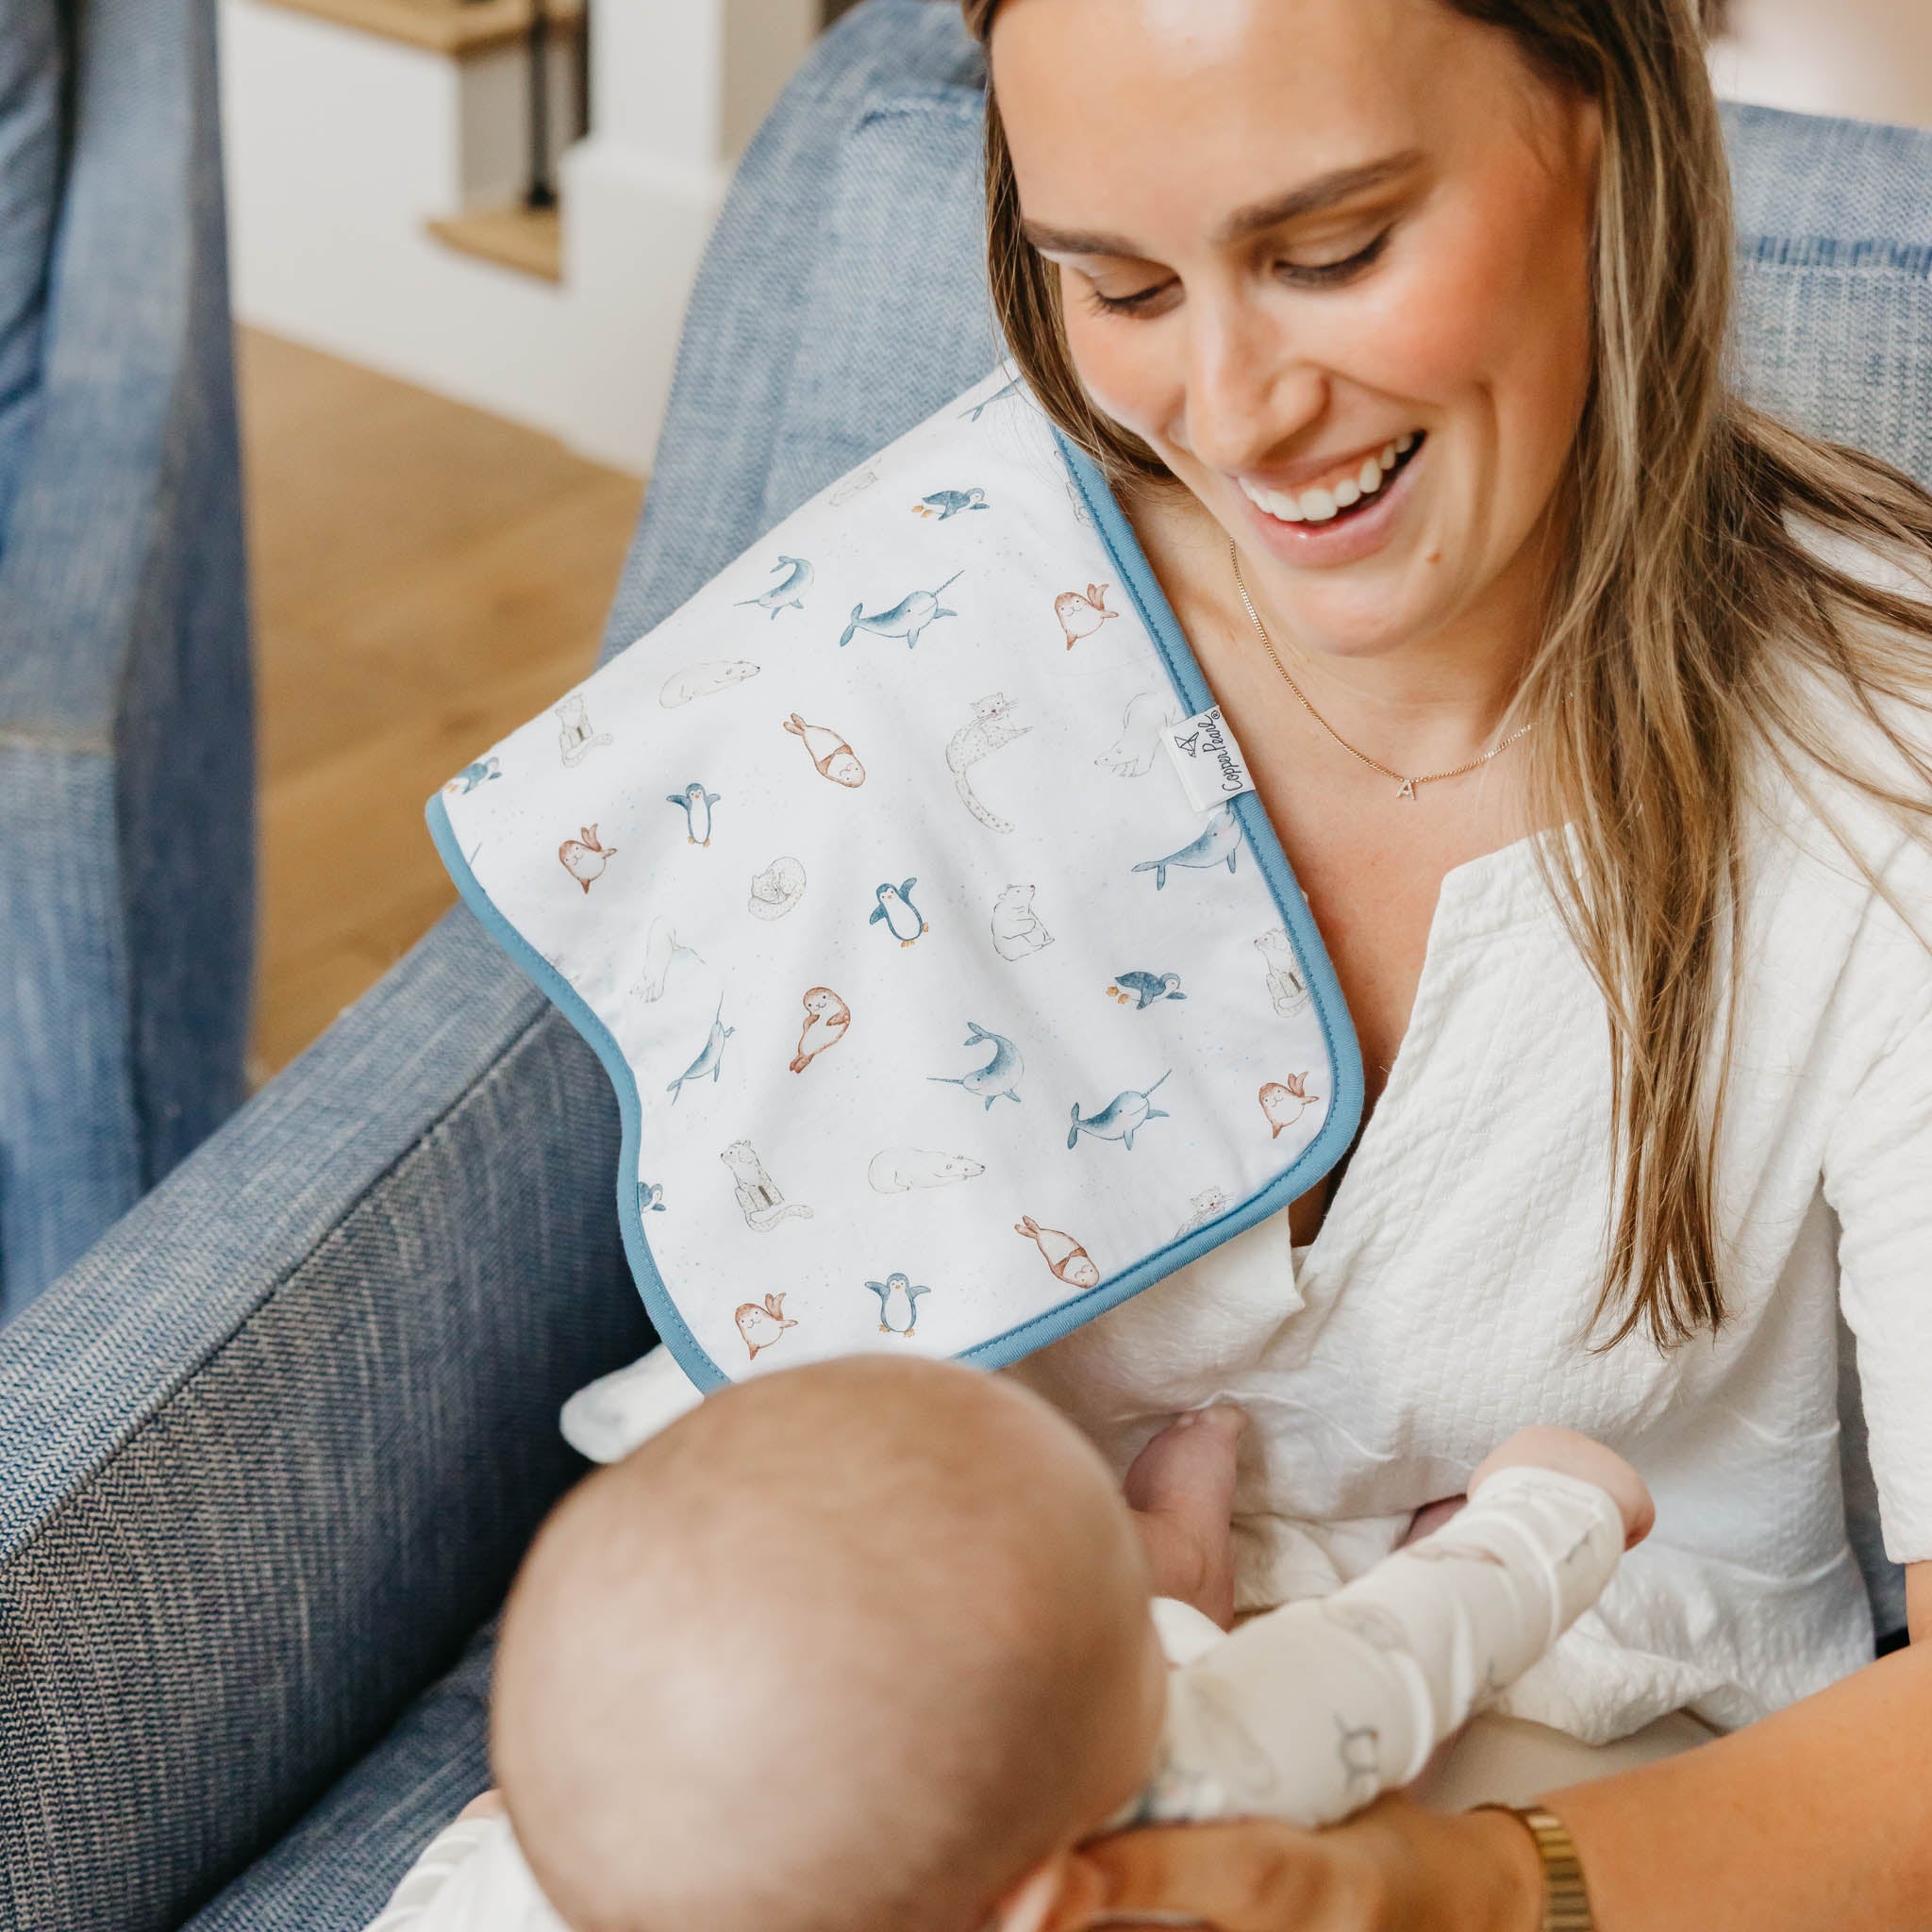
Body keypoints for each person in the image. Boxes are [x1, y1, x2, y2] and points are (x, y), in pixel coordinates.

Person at [950, 0, 1932, 1923]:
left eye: (1330, 252)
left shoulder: (1882, 749)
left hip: (1609, 1801)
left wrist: (1455, 1891)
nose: (1232, 413)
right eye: (1121, 285)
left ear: (1613, 127)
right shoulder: (939, 635)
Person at [371, 1357, 1652, 1932]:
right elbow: (1398, 1654)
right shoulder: (1184, 1784)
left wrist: (484, 1843)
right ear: (1047, 1904)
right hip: (1219, 1776)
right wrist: (1555, 1509)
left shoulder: (567, 1879)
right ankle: (1177, 1565)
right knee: (1362, 1777)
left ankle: (1164, 1560)